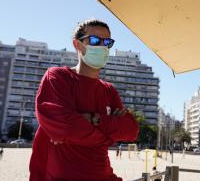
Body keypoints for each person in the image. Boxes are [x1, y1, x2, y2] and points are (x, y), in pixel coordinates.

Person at [29, 19, 139, 181]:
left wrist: (94, 119)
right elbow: (67, 127)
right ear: (78, 45)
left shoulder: (109, 90)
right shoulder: (58, 77)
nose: (102, 47)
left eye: (107, 42)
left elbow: (131, 130)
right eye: (95, 40)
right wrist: (109, 136)